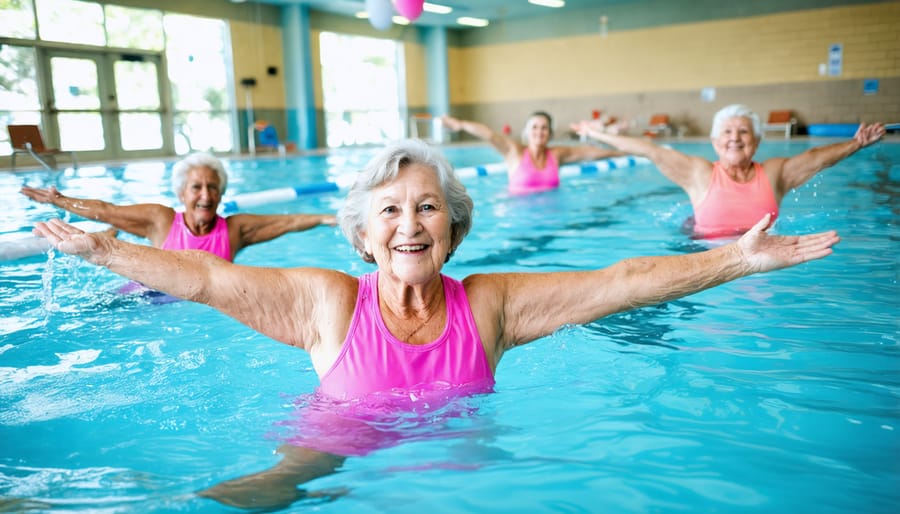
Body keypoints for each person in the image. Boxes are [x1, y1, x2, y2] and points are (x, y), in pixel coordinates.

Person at [33, 139, 840, 509]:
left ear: (453, 226)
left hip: (470, 471)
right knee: (268, 491)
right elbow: (208, 277)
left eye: (428, 208)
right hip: (334, 449)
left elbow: (618, 282)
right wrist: (110, 253)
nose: (410, 225)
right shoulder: (326, 302)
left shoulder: (488, 306)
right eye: (390, 211)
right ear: (361, 233)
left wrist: (736, 260)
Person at [21, 152, 336, 295]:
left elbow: (289, 221)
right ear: (181, 193)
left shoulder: (235, 230)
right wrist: (59, 200)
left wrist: (328, 218)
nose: (205, 194)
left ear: (222, 193)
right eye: (196, 187)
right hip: (145, 298)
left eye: (213, 187)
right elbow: (107, 210)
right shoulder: (161, 220)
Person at [571, 104, 886, 238]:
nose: (735, 137)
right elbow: (648, 149)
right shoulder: (698, 172)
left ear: (758, 141)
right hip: (700, 251)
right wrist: (596, 133)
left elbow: (816, 157)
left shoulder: (774, 174)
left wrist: (856, 144)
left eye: (744, 132)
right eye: (727, 132)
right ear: (714, 142)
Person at [441, 111, 625, 195]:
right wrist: (460, 125)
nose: (539, 131)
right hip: (518, 217)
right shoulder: (515, 152)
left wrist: (620, 153)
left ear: (550, 133)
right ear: (526, 132)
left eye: (544, 128)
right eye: (535, 127)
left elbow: (588, 153)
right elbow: (488, 133)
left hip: (551, 219)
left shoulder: (556, 154)